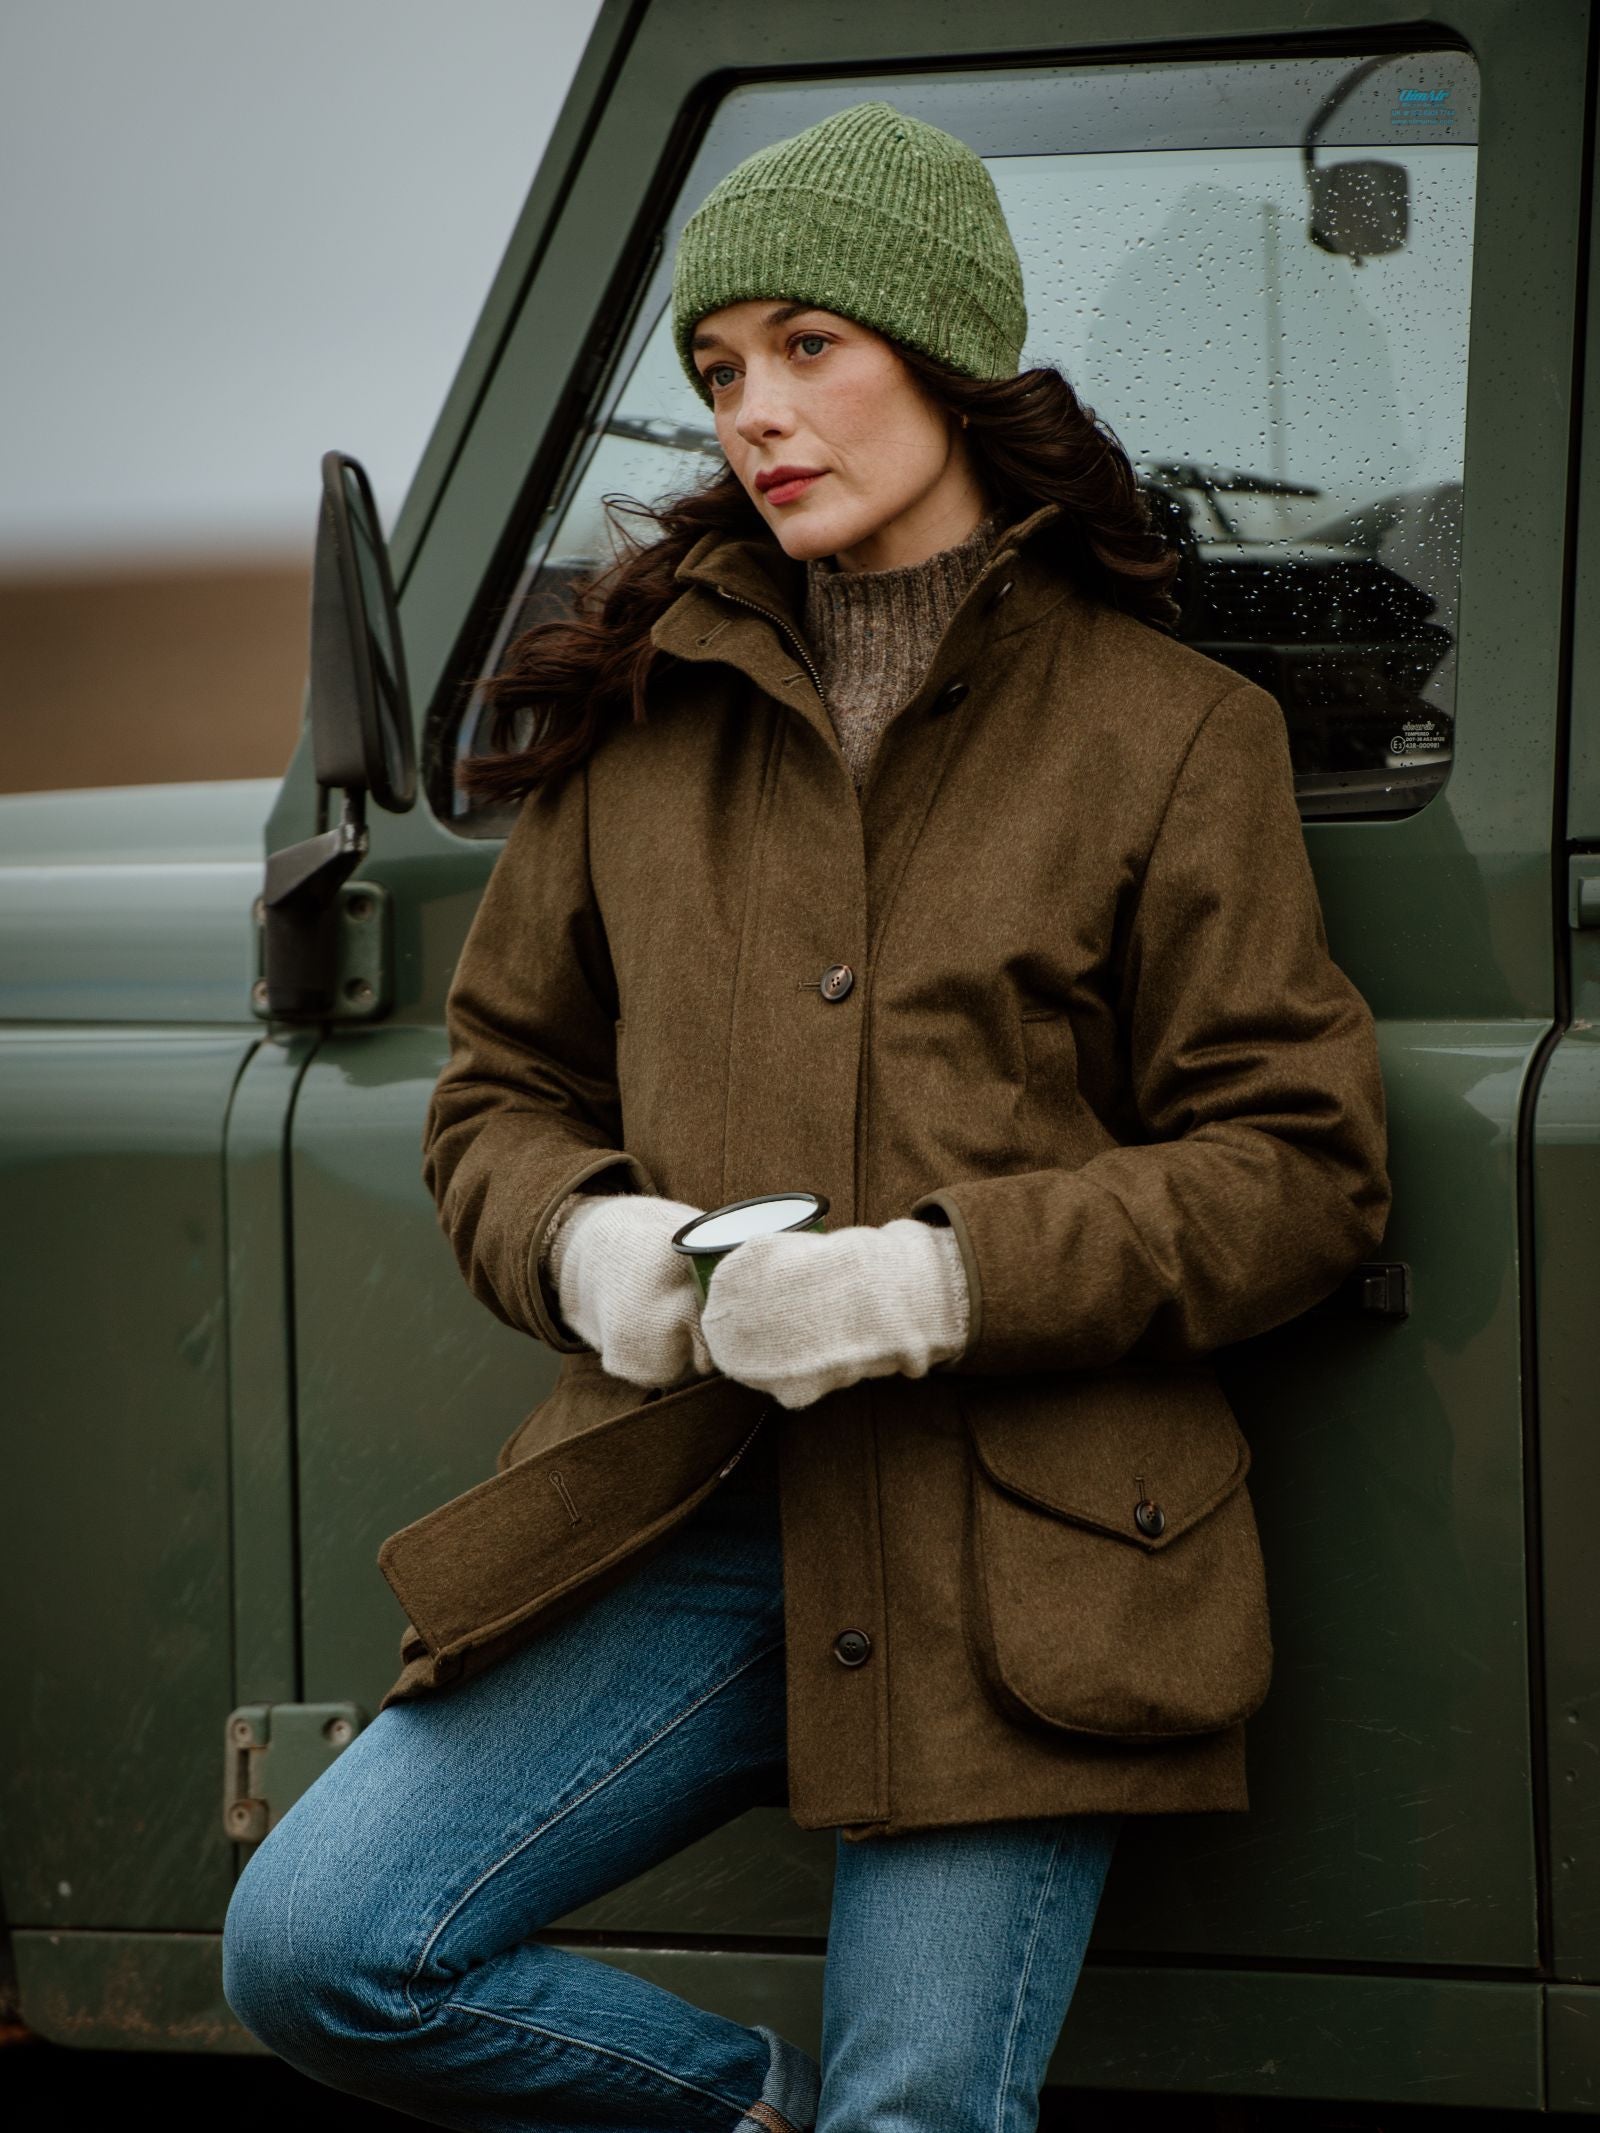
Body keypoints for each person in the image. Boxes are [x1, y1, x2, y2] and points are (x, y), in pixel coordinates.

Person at [222, 101, 1391, 2133]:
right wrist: (594, 1245)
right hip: (698, 1506)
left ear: (940, 353)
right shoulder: (637, 716)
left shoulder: (1168, 731)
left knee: (920, 2107)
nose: (753, 411)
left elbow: (1293, 1167)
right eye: (714, 370)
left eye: (804, 346)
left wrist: (929, 1282)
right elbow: (497, 1089)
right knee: (320, 1940)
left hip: (1026, 1547)